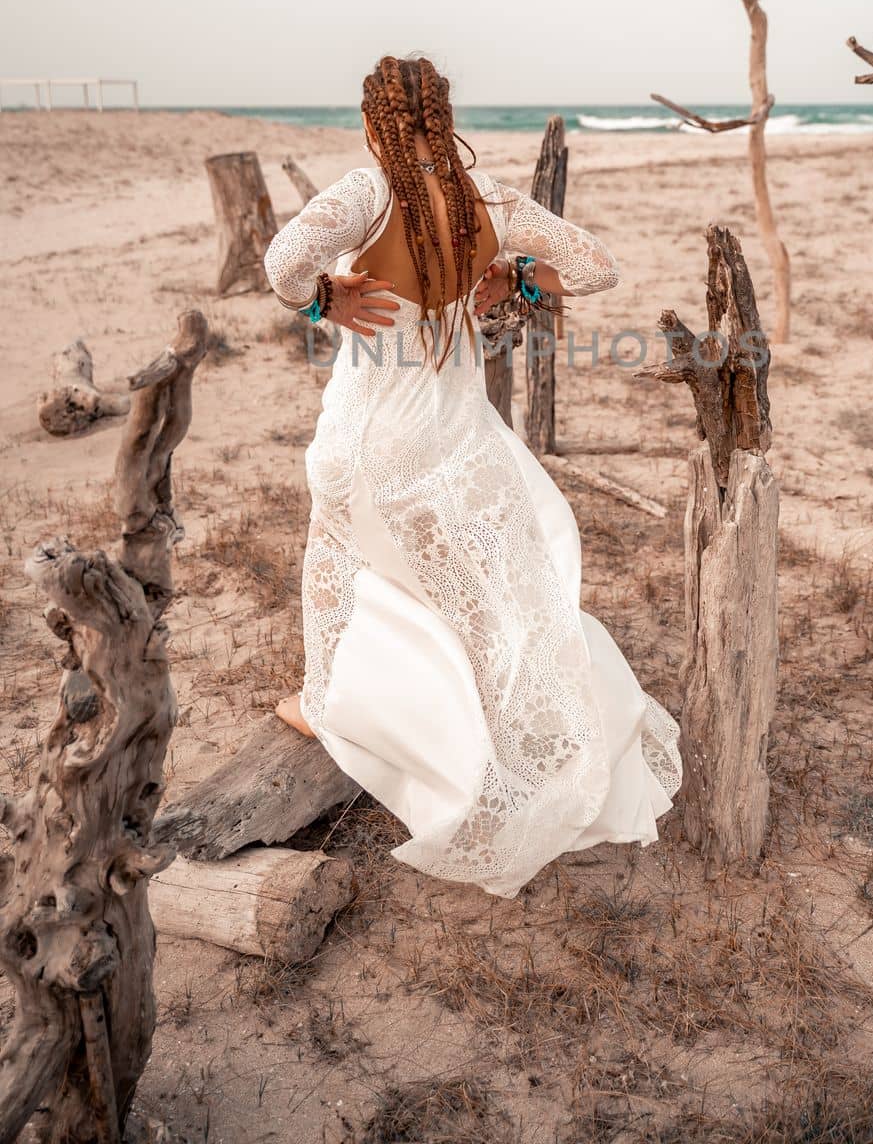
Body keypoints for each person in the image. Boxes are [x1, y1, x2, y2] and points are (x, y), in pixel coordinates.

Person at [263, 54, 682, 899]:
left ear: (376, 121)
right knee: (471, 585)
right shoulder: (492, 205)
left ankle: (330, 702)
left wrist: (324, 300)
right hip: (454, 436)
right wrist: (516, 275)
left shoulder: (364, 192)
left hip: (370, 431)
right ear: (444, 115)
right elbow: (598, 268)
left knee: (345, 567)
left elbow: (281, 262)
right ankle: (492, 719)